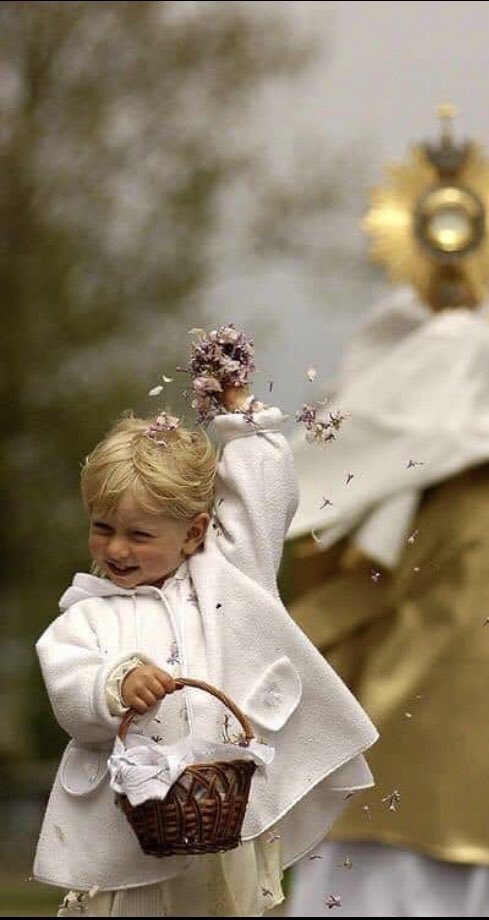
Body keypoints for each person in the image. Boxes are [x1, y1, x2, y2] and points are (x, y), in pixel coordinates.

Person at [284, 116, 489, 918]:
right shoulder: (391, 343)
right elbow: (358, 442)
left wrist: (461, 362)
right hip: (397, 577)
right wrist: (438, 377)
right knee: (383, 746)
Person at [32, 331, 378, 918]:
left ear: (194, 532)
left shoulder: (227, 575)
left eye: (139, 534)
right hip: (126, 839)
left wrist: (238, 411)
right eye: (102, 527)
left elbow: (265, 494)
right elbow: (70, 693)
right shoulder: (84, 616)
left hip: (220, 820)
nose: (116, 549)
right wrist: (112, 686)